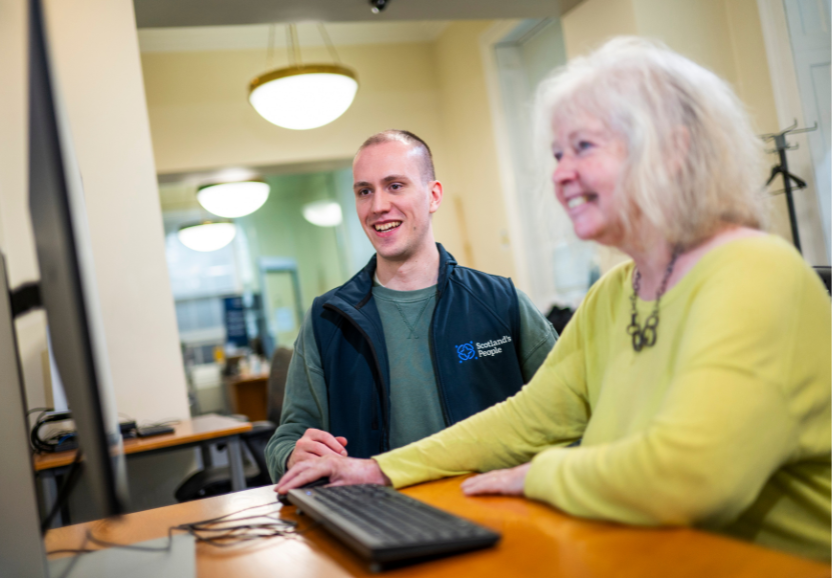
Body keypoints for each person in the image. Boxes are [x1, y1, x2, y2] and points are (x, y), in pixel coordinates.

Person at [276, 39, 832, 562]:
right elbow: (526, 419)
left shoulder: (756, 272)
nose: (561, 173)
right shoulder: (614, 294)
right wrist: (379, 470)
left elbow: (694, 477)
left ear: (670, 151)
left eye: (583, 147)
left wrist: (535, 476)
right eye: (557, 152)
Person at [264, 130, 558, 481]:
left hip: (492, 508)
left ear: (433, 195)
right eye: (364, 191)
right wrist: (291, 455)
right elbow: (287, 436)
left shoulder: (500, 302)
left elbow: (565, 409)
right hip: (378, 520)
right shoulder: (328, 319)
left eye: (395, 186)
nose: (378, 206)